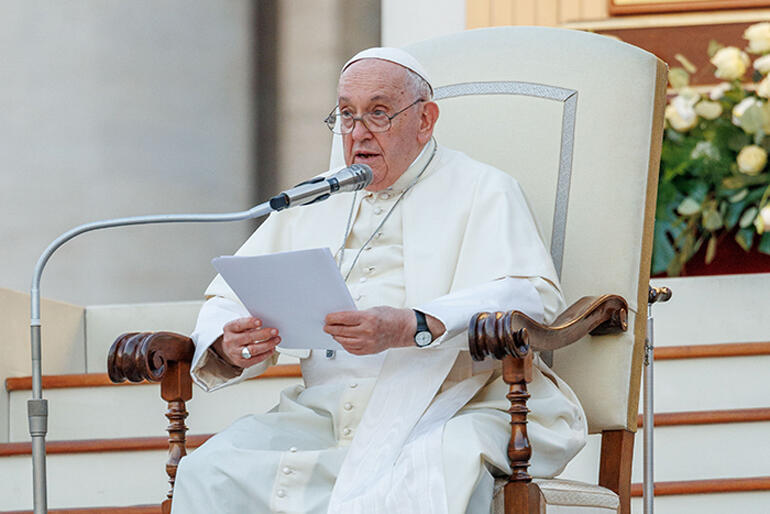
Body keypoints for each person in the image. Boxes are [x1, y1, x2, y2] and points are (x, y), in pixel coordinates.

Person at [171, 47, 587, 514]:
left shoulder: (483, 188)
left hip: (453, 404)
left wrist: (414, 324)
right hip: (323, 416)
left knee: (435, 470)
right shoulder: (314, 198)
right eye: (347, 114)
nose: (358, 132)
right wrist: (229, 343)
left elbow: (531, 294)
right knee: (210, 471)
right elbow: (232, 295)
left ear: (425, 120)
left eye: (379, 113)